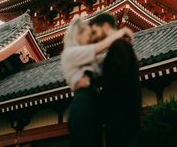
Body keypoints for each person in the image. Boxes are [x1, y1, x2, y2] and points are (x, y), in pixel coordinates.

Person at [61, 17, 133, 147]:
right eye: (89, 34)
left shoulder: (90, 59)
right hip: (83, 102)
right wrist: (120, 33)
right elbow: (100, 48)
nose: (92, 39)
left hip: (94, 102)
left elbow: (108, 58)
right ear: (79, 34)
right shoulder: (70, 53)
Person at [90, 13, 142, 147]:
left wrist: (92, 80)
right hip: (128, 115)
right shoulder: (124, 47)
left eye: (95, 31)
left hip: (119, 116)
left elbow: (115, 78)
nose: (95, 36)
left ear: (105, 26)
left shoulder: (117, 47)